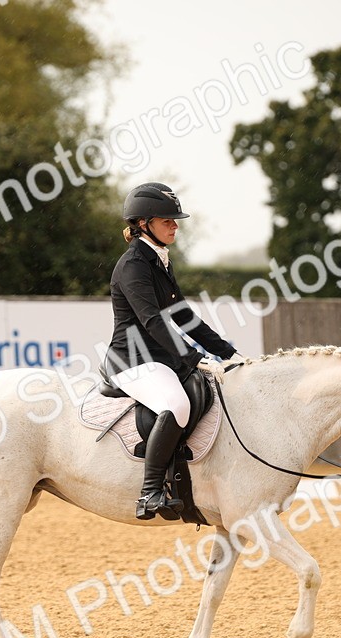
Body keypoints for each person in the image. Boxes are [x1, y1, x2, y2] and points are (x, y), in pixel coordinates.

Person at [102, 182, 242, 520]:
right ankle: (149, 491)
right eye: (168, 221)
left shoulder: (160, 261)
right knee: (176, 404)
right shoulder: (134, 264)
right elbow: (153, 321)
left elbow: (183, 318)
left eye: (175, 220)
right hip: (131, 359)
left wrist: (229, 354)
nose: (175, 225)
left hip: (158, 358)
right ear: (144, 223)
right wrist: (195, 359)